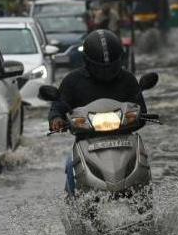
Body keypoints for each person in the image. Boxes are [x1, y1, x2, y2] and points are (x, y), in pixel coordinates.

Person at [47, 29, 146, 194]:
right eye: (101, 68)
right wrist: (56, 119)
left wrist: (138, 116)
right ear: (87, 61)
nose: (106, 72)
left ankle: (145, 200)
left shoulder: (128, 80)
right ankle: (75, 203)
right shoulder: (73, 81)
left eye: (111, 66)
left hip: (125, 140)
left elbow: (140, 109)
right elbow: (59, 105)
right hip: (87, 140)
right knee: (73, 171)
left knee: (144, 166)